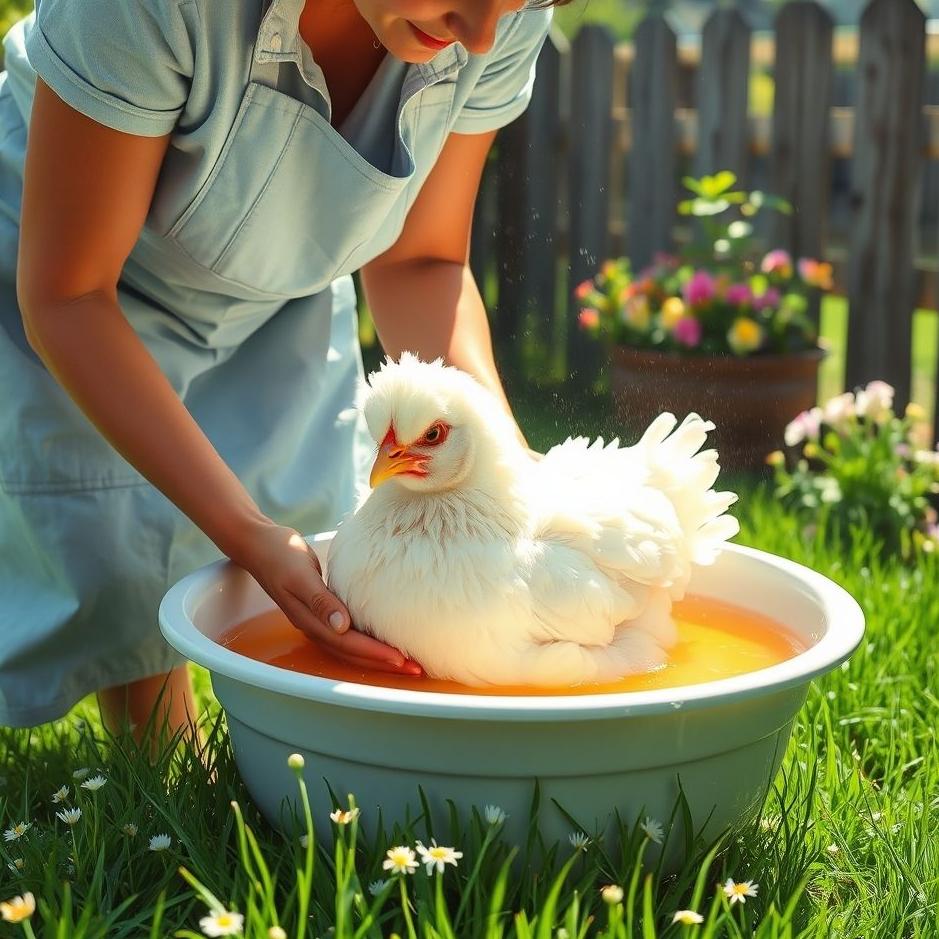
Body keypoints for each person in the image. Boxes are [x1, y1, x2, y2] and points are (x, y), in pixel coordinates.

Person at [0, 0, 555, 739]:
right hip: (69, 275)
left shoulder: (495, 20)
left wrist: (508, 467)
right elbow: (67, 294)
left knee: (318, 539)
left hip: (272, 276)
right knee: (121, 567)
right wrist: (248, 532)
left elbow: (421, 260)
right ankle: (163, 790)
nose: (484, 34)